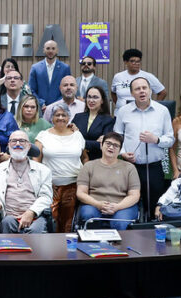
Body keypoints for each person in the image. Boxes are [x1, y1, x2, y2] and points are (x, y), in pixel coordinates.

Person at [114, 77, 174, 216]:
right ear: (132, 93)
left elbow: (170, 139)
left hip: (154, 167)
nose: (142, 91)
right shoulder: (123, 111)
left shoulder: (162, 111)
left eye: (144, 88)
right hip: (130, 166)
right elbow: (117, 137)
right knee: (129, 203)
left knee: (154, 206)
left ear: (150, 90)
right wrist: (122, 153)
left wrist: (156, 139)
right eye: (137, 89)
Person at [0, 131, 53, 234]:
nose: (17, 144)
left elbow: (46, 197)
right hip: (8, 216)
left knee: (35, 231)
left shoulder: (43, 170)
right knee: (7, 222)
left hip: (36, 216)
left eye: (22, 141)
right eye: (14, 141)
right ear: (8, 145)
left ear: (29, 146)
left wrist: (31, 212)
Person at [34, 103, 88, 232]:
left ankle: (65, 245)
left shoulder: (77, 135)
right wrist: (42, 182)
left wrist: (85, 178)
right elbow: (36, 161)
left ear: (69, 117)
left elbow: (85, 158)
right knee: (50, 222)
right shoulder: (43, 135)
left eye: (64, 115)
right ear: (51, 118)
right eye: (57, 115)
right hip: (50, 186)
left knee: (67, 223)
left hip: (73, 185)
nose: (60, 118)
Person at [76, 132, 140, 230]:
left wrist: (117, 207)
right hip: (94, 204)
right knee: (89, 215)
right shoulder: (88, 166)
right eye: (108, 143)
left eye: (115, 145)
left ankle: (120, 241)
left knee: (120, 222)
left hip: (122, 205)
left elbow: (134, 195)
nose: (111, 147)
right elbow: (81, 193)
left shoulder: (129, 168)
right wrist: (98, 204)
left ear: (120, 150)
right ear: (101, 145)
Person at [111, 48, 166, 113]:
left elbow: (162, 92)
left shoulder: (148, 76)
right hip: (120, 113)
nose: (136, 63)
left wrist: (155, 106)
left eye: (138, 61)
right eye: (132, 61)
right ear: (126, 62)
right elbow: (113, 93)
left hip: (142, 113)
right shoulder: (118, 77)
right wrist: (119, 104)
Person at [71, 86, 115, 160]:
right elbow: (70, 139)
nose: (91, 100)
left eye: (95, 97)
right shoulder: (78, 117)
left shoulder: (108, 120)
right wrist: (94, 143)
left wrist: (80, 142)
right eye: (89, 97)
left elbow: (103, 145)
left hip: (96, 160)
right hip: (77, 159)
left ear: (102, 101)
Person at [28, 40, 71, 111]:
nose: (50, 51)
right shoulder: (35, 68)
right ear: (43, 50)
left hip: (59, 108)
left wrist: (54, 105)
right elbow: (31, 90)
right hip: (40, 109)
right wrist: (41, 103)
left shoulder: (65, 68)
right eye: (48, 48)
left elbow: (67, 89)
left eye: (53, 48)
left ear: (57, 50)